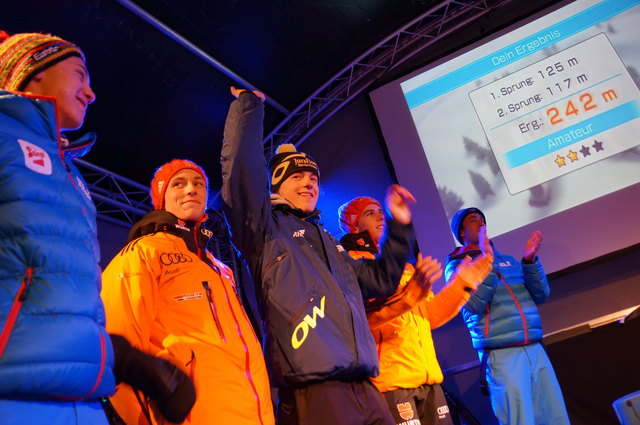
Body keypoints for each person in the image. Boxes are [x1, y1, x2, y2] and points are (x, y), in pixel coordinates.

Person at [0, 31, 194, 425]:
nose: (90, 93)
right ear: (34, 71)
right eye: (79, 74)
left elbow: (59, 296)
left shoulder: (71, 175)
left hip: (82, 399)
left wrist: (124, 360)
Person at [220, 87, 416, 425]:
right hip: (314, 389)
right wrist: (249, 108)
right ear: (275, 185)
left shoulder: (327, 240)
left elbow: (379, 280)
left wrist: (399, 227)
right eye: (297, 177)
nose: (309, 183)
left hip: (365, 384)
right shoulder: (263, 230)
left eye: (313, 178)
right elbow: (241, 172)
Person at [101, 159, 275, 425]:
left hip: (252, 413)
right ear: (162, 198)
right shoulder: (143, 253)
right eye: (178, 184)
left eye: (199, 184)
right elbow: (117, 349)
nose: (191, 189)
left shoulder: (220, 269)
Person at [338, 197, 494, 425]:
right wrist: (407, 297)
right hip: (390, 384)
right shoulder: (353, 268)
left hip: (427, 379)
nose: (381, 216)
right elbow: (361, 323)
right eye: (370, 213)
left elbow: (430, 316)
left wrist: (462, 284)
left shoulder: (406, 269)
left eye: (381, 211)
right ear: (353, 226)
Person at [444, 207, 570, 425]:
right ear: (461, 233)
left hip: (534, 348)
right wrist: (486, 262)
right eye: (473, 220)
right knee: (520, 420)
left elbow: (540, 294)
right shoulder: (457, 266)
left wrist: (529, 261)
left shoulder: (509, 261)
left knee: (554, 417)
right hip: (502, 355)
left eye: (482, 219)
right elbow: (474, 305)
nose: (481, 223)